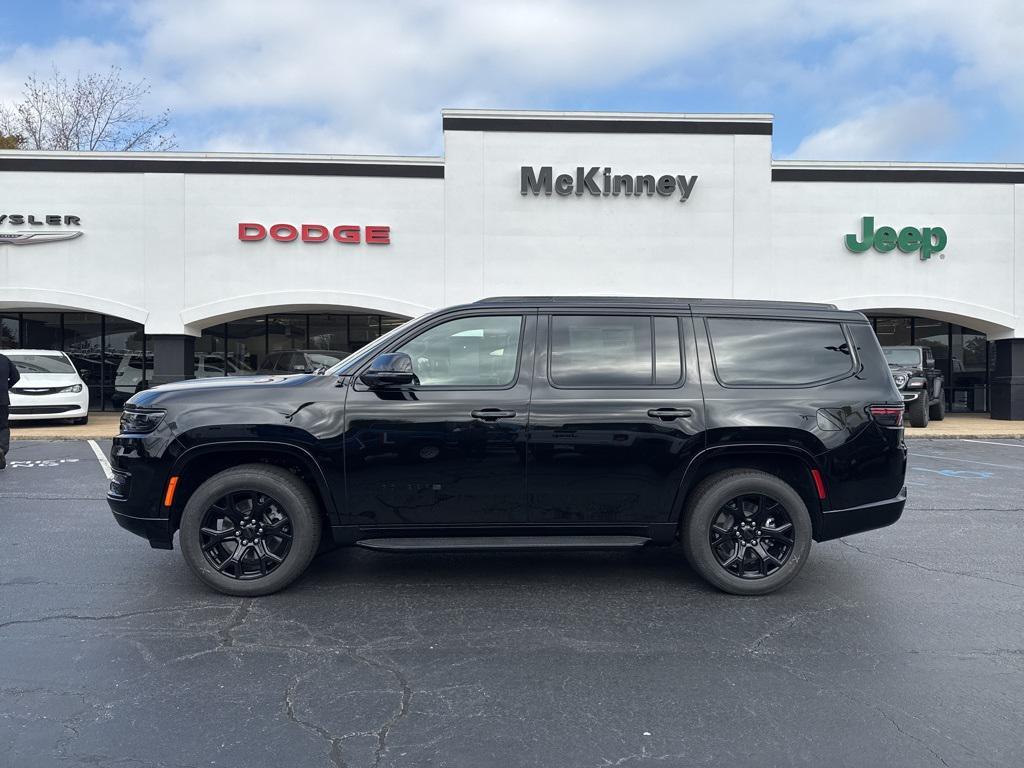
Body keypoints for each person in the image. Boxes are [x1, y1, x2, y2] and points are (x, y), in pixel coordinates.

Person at [0, 351, 20, 469]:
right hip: (2, 400)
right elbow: (16, 376)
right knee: (2, 426)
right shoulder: (4, 359)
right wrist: (5, 387)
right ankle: (1, 448)